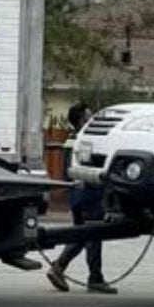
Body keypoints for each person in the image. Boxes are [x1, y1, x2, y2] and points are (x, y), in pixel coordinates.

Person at [45, 100, 118, 294]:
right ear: (80, 120)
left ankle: (62, 267)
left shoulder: (72, 139)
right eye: (89, 116)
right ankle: (92, 277)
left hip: (77, 196)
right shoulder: (88, 140)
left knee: (82, 235)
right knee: (93, 235)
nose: (92, 119)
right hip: (89, 194)